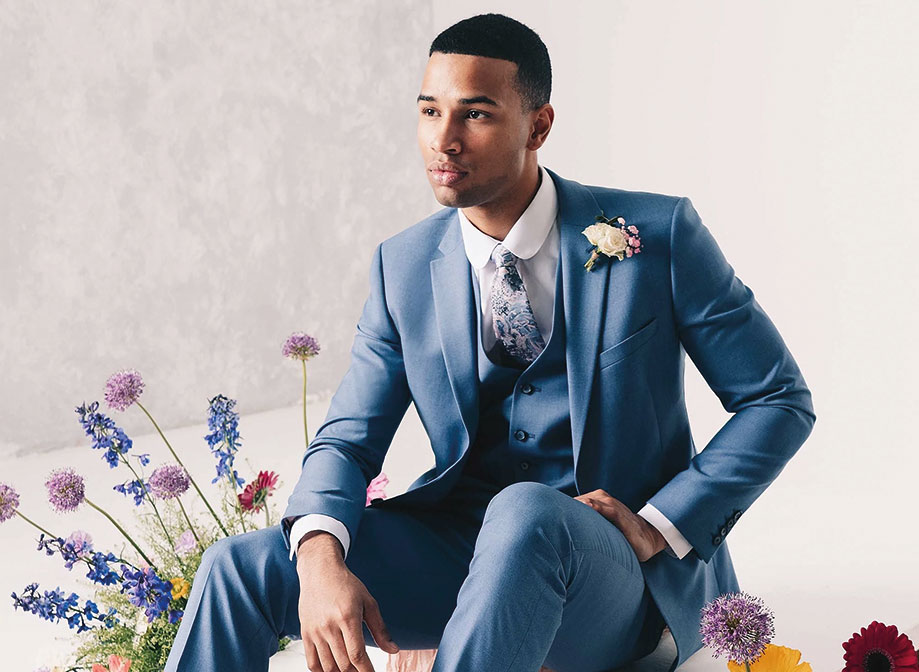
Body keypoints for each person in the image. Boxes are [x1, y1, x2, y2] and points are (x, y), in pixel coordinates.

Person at [165, 12, 816, 672]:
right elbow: (347, 439)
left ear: (537, 125)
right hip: (458, 554)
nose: (442, 140)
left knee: (526, 511)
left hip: (613, 582)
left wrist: (659, 523)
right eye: (428, 112)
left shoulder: (655, 235)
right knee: (235, 569)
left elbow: (777, 400)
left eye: (474, 115)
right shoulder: (404, 267)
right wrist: (318, 556)